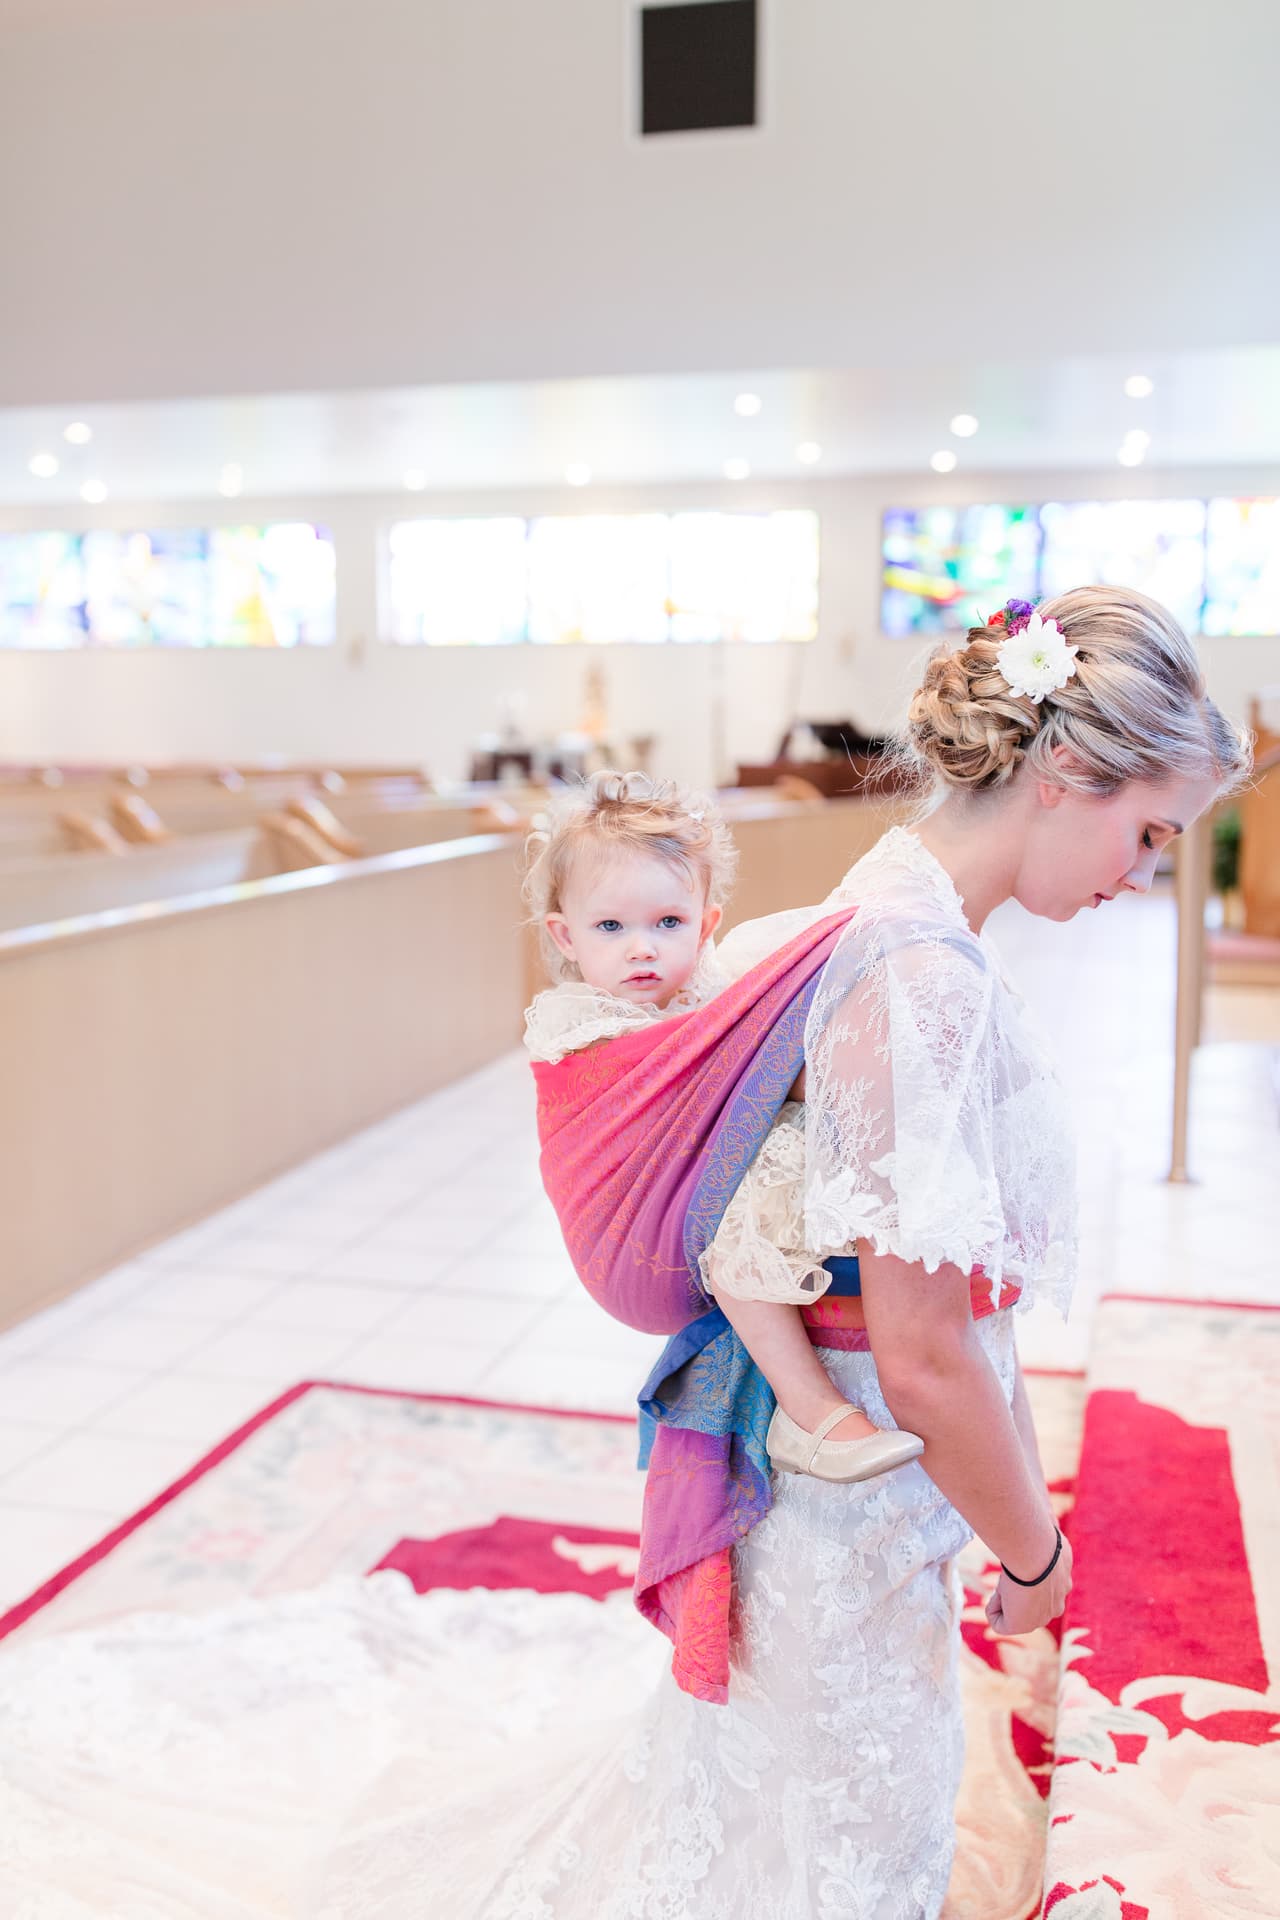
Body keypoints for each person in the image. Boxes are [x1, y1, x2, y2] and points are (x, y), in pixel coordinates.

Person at [0, 587, 1250, 1919]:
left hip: (839, 1480)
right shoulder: (919, 973)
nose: (1144, 867)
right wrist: (1041, 1557)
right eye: (1152, 829)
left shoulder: (884, 897)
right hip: (852, 1480)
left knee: (782, 1820)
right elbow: (926, 1351)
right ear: (1064, 770)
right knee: (817, 1846)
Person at [522, 768, 925, 1484]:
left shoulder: (714, 989)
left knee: (800, 1135)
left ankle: (902, 1345)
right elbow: (670, 1088)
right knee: (741, 1220)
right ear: (566, 936)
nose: (641, 948)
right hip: (646, 1223)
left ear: (706, 924)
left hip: (700, 1179)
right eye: (610, 927)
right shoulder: (579, 1023)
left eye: (667, 923)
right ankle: (809, 1414)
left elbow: (754, 1045)